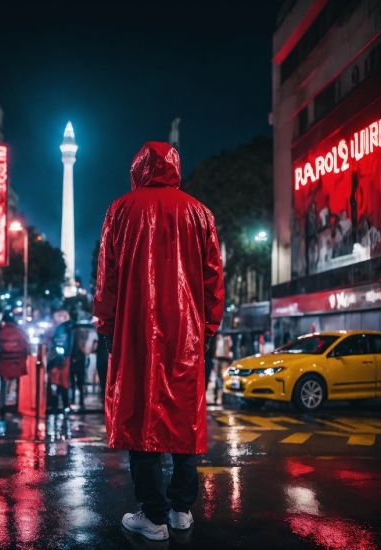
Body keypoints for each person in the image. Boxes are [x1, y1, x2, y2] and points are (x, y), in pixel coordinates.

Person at [94, 142, 224, 541]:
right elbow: (213, 279)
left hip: (133, 330)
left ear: (139, 169)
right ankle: (182, 509)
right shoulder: (200, 212)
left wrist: (107, 327)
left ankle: (154, 517)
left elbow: (107, 277)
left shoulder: (120, 210)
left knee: (141, 418)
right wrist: (206, 329)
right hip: (186, 331)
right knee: (185, 418)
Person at [0, 312, 29, 416]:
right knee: (18, 385)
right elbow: (26, 348)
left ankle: (2, 405)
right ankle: (17, 405)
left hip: (4, 362)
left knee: (3, 385)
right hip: (17, 363)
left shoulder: (1, 333)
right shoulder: (20, 333)